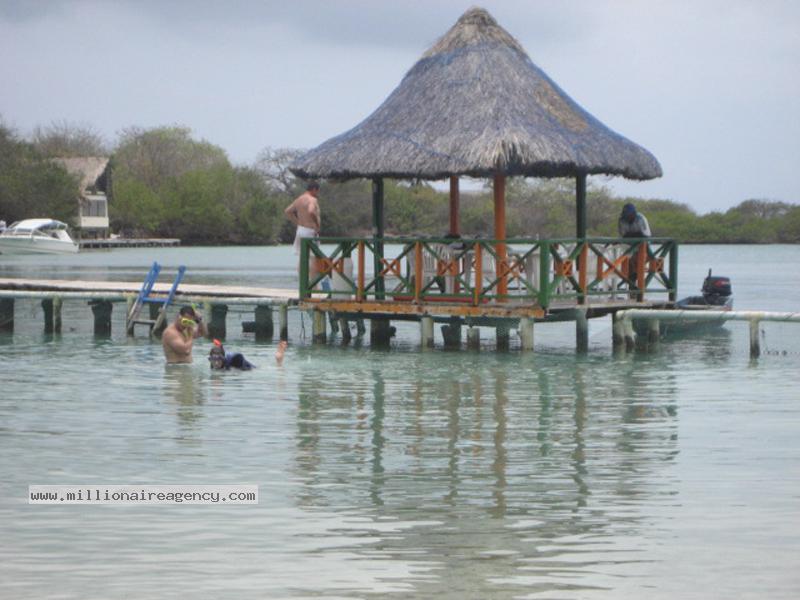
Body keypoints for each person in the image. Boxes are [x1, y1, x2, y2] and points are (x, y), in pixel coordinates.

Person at [285, 181, 321, 258]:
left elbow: (288, 211)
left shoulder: (299, 199)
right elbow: (311, 211)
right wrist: (317, 224)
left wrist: (297, 222)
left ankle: (302, 270)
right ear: (314, 189)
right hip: (310, 231)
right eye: (317, 191)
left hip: (300, 230)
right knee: (313, 257)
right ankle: (311, 270)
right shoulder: (312, 200)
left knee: (302, 257)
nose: (317, 193)